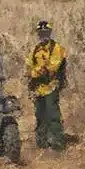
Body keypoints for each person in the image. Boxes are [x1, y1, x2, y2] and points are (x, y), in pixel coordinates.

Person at [26, 20, 68, 152]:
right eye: (40, 33)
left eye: (45, 32)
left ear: (50, 32)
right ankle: (41, 143)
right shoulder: (35, 49)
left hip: (51, 86)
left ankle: (57, 143)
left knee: (53, 114)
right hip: (38, 88)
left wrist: (36, 72)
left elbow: (52, 67)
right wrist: (35, 73)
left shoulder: (57, 48)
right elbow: (28, 66)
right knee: (40, 115)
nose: (43, 35)